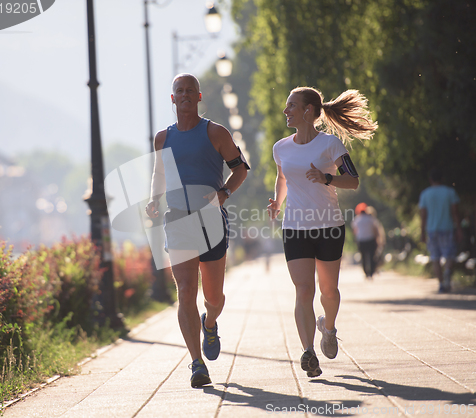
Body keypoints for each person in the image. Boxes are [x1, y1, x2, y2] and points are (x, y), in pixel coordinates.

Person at [145, 74, 248, 387]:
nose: (185, 94)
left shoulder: (215, 132)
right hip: (177, 219)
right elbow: (158, 174)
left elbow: (240, 169)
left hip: (210, 218)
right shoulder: (163, 138)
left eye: (191, 90)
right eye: (180, 91)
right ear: (173, 99)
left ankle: (211, 322)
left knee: (213, 297)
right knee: (186, 291)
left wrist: (224, 194)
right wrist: (153, 200)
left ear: (199, 96)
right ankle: (196, 363)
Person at [267, 87, 377, 377]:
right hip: (295, 228)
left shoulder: (330, 145)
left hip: (329, 227)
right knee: (304, 290)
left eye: (291, 105)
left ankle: (328, 328)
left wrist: (326, 177)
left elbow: (352, 181)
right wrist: (277, 203)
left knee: (329, 290)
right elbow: (282, 178)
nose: (285, 110)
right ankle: (308, 352)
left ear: (307, 111)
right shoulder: (280, 147)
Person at [419, 168, 462, 293]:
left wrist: (422, 232)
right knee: (449, 255)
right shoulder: (450, 192)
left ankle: (441, 284)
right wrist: (458, 229)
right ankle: (447, 271)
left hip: (432, 230)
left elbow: (423, 215)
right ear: (442, 179)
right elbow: (455, 213)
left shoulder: (425, 194)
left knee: (435, 257)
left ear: (430, 179)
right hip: (447, 227)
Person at [351, 202, 385, 279]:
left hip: (361, 240)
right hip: (371, 239)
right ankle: (371, 272)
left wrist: (357, 238)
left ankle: (366, 272)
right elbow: (375, 229)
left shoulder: (357, 219)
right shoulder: (371, 219)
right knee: (371, 256)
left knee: (363, 257)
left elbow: (355, 231)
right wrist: (377, 239)